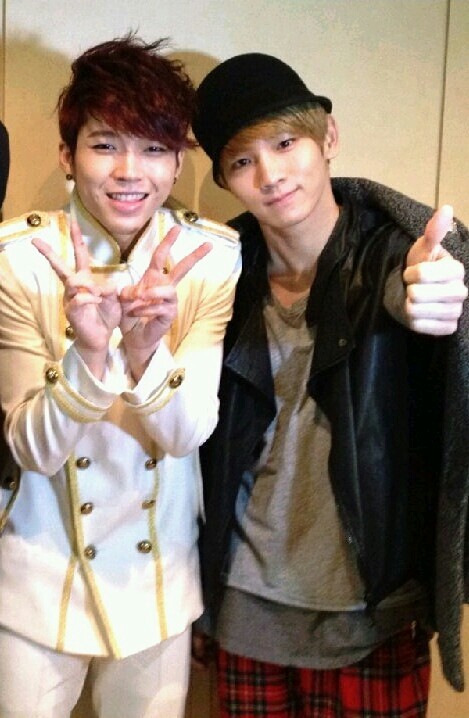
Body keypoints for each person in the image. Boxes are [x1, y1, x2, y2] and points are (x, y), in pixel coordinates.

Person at [192, 52, 469, 717]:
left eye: (286, 143)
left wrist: (437, 300)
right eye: (242, 160)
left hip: (371, 614)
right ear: (226, 180)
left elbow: (418, 294)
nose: (271, 174)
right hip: (244, 610)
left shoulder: (396, 257)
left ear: (328, 138)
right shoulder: (214, 276)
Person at [0, 36, 240, 718]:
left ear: (178, 160)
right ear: (67, 155)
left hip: (156, 576)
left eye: (155, 148)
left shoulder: (209, 256)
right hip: (39, 570)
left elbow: (186, 434)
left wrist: (143, 353)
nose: (130, 172)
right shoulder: (20, 257)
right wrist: (89, 355)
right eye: (105, 144)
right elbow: (32, 449)